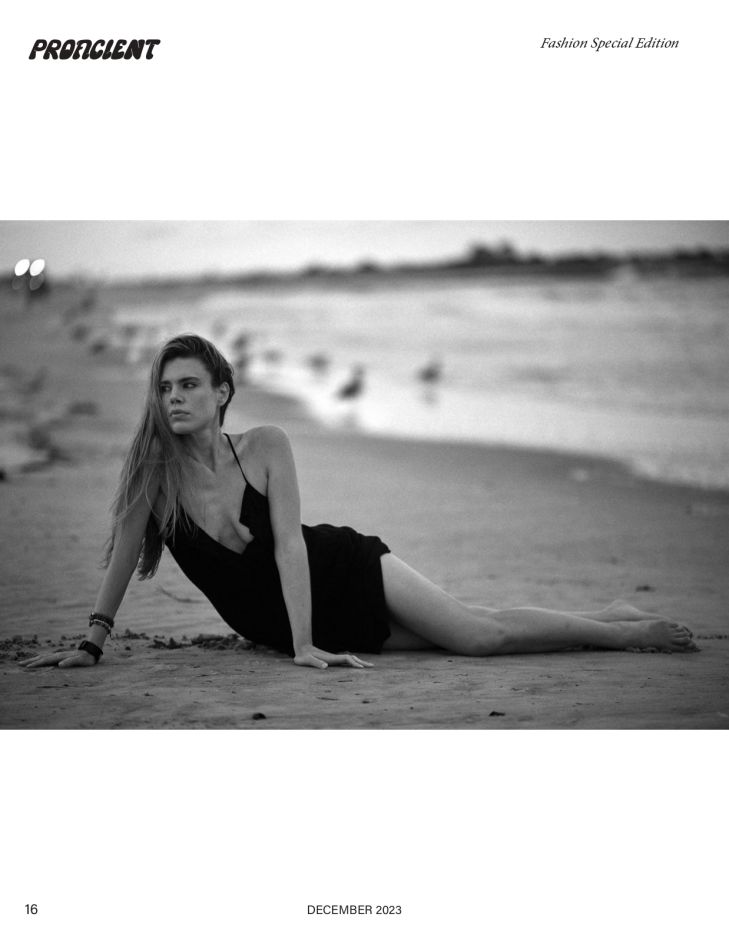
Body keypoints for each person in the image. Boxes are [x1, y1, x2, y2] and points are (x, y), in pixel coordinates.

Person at [21, 334, 696, 672]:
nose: (174, 398)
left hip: (339, 570)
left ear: (221, 393)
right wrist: (91, 643)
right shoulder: (153, 475)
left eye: (190, 385)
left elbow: (290, 544)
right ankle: (609, 614)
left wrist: (305, 645)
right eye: (166, 388)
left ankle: (623, 632)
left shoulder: (264, 445)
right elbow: (121, 559)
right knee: (467, 631)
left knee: (475, 636)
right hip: (284, 626)